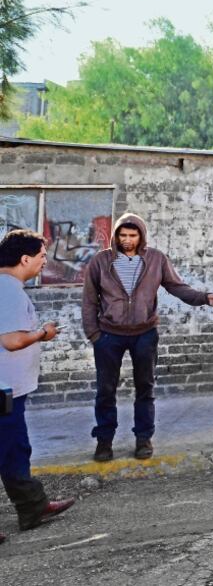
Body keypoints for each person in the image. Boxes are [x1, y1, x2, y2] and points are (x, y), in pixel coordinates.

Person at [82, 213, 213, 462]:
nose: (127, 240)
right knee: (105, 390)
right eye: (123, 235)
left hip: (145, 334)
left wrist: (204, 298)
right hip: (109, 335)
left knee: (145, 388)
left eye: (133, 235)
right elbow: (89, 300)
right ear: (116, 235)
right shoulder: (100, 261)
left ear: (141, 235)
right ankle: (104, 441)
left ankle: (143, 439)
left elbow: (177, 287)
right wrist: (94, 334)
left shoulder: (156, 259)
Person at [0, 230, 75, 537]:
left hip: (10, 391)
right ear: (25, 258)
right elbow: (12, 340)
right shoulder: (9, 292)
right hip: (3, 391)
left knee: (16, 450)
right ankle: (32, 505)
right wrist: (44, 333)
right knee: (9, 449)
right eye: (43, 256)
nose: (46, 262)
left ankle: (32, 506)